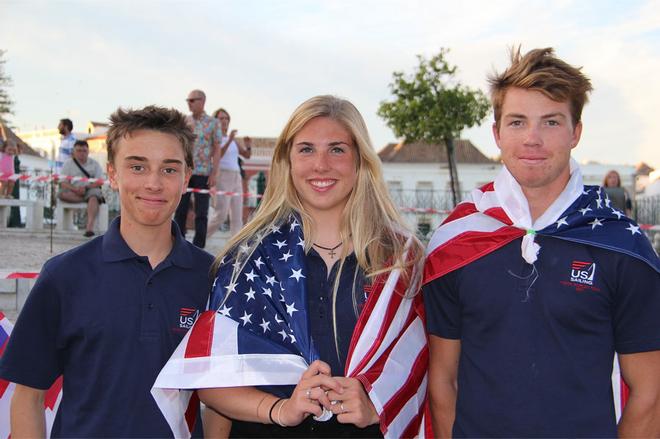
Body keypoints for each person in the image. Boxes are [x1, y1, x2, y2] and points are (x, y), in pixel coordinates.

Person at [153, 95, 429, 438]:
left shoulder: (402, 258)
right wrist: (281, 410)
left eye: (338, 149)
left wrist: (377, 404)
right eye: (307, 149)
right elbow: (213, 380)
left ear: (361, 160)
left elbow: (425, 370)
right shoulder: (249, 256)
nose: (321, 165)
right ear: (287, 160)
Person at [423, 47, 660, 437]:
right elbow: (443, 382)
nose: (532, 139)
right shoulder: (457, 241)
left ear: (575, 132)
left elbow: (650, 393)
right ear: (497, 134)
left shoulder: (620, 245)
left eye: (551, 122)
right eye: (517, 122)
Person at [0, 105, 215, 437]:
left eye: (169, 169)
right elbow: (28, 395)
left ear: (187, 177)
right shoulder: (63, 276)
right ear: (113, 174)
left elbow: (222, 400)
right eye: (138, 166)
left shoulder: (213, 279)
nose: (154, 183)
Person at [174, 89, 222, 248]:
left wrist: (214, 172)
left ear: (202, 101)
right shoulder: (184, 122)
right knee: (180, 209)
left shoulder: (213, 123)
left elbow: (216, 148)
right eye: (187, 100)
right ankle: (178, 244)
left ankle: (198, 247)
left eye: (192, 100)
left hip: (203, 173)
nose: (189, 103)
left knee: (202, 213)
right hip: (185, 172)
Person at [208, 108, 252, 237]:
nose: (224, 121)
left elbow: (247, 155)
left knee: (237, 216)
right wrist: (229, 140)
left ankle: (235, 249)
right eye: (221, 118)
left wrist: (248, 145)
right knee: (221, 215)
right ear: (215, 121)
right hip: (222, 175)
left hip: (236, 176)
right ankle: (200, 240)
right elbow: (217, 155)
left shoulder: (232, 139)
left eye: (226, 118)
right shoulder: (214, 138)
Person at [57, 139, 105, 237]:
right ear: (74, 152)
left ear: (88, 152)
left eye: (84, 151)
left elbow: (100, 181)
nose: (82, 153)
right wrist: (75, 189)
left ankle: (89, 227)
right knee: (61, 194)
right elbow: (62, 182)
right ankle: (88, 200)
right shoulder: (68, 164)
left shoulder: (94, 164)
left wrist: (86, 188)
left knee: (94, 196)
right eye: (79, 151)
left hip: (90, 190)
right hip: (73, 191)